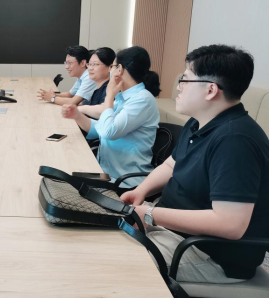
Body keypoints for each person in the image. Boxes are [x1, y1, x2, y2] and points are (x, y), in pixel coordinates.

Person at [121, 44, 269, 283]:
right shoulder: (200, 121)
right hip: (174, 230)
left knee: (111, 261)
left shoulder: (235, 140)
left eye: (185, 79)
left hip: (207, 253)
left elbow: (230, 225)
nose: (179, 87)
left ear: (210, 90)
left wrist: (150, 214)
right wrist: (141, 191)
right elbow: (171, 165)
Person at [62, 46, 161, 187]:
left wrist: (109, 96)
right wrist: (77, 115)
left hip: (124, 181)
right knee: (62, 174)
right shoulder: (123, 97)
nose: (110, 70)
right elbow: (99, 128)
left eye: (112, 67)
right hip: (105, 173)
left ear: (119, 69)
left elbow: (109, 132)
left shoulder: (142, 99)